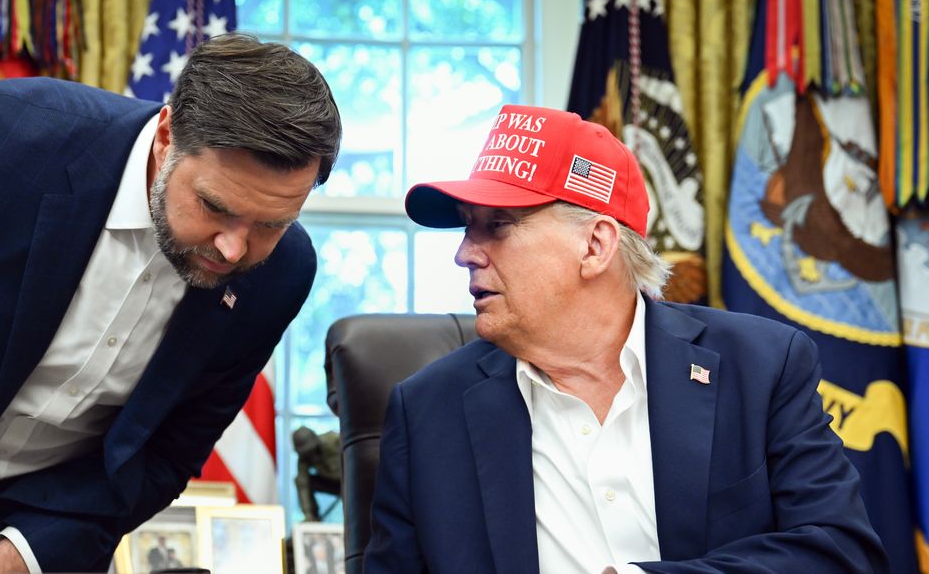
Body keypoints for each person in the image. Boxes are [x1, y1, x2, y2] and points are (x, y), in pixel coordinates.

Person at [0, 33, 342, 573]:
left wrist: (10, 558)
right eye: (215, 206)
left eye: (270, 223)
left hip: (38, 541)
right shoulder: (6, 133)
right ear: (167, 136)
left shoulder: (281, 273)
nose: (234, 247)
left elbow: (166, 456)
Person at [364, 105, 887, 573]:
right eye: (466, 227)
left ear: (595, 245)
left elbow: (840, 553)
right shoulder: (427, 411)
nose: (465, 253)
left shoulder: (762, 367)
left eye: (497, 225)